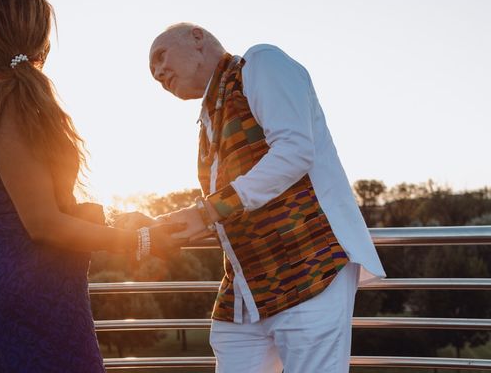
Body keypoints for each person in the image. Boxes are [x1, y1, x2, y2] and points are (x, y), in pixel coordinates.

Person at [0, 0, 180, 373]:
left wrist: (110, 220)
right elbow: (41, 223)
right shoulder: (5, 100)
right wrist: (136, 242)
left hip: (1, 278)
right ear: (33, 28)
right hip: (32, 286)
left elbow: (30, 202)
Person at [149, 23, 386, 373]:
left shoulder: (260, 63)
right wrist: (184, 225)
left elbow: (294, 151)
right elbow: (236, 205)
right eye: (154, 73)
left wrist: (207, 211)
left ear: (197, 38)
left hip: (309, 269)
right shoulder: (208, 120)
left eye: (161, 56)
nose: (158, 73)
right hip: (245, 294)